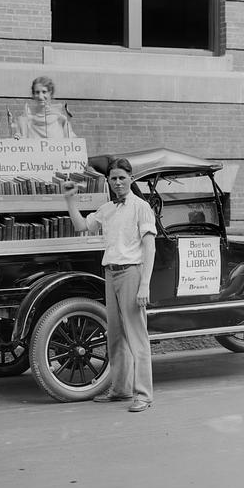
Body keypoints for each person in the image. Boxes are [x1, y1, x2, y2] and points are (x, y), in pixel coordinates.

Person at [63, 158, 156, 412]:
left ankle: (144, 394)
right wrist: (70, 200)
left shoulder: (141, 207)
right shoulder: (107, 209)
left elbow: (150, 247)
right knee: (115, 336)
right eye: (113, 178)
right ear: (109, 181)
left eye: (122, 178)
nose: (117, 182)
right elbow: (81, 226)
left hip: (132, 273)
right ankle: (121, 389)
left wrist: (144, 285)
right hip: (111, 273)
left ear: (131, 179)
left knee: (137, 336)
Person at [11, 76, 76, 139]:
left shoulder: (61, 120)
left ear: (50, 93)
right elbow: (21, 141)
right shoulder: (26, 120)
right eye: (37, 92)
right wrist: (18, 140)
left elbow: (72, 143)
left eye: (44, 92)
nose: (40, 96)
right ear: (33, 95)